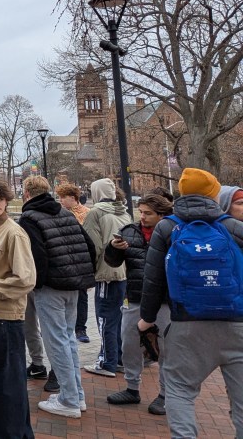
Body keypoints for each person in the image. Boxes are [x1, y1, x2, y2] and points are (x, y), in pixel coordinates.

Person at [139, 167, 243, 438]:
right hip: (236, 323)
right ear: (214, 194)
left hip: (187, 324)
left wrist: (147, 318)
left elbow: (153, 280)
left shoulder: (167, 227)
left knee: (180, 390)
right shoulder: (234, 228)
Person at [18, 175, 96, 420]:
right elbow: (89, 246)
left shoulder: (29, 218)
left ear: (27, 193)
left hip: (51, 286)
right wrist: (83, 277)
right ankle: (76, 395)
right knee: (67, 339)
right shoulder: (65, 213)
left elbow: (37, 255)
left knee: (56, 342)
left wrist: (36, 284)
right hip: (73, 284)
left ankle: (69, 399)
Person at [0, 178, 36, 439]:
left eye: (0, 198)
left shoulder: (13, 232)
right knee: (1, 383)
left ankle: (11, 434)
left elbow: (25, 279)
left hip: (6, 318)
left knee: (7, 386)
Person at [104, 192, 172, 415]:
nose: (142, 217)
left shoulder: (174, 232)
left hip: (164, 300)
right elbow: (112, 262)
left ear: (162, 215)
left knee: (165, 348)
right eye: (141, 212)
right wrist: (114, 248)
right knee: (129, 344)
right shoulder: (129, 231)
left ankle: (166, 394)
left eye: (148, 213)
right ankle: (132, 388)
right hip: (135, 296)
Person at [83, 177, 132, 377]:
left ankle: (106, 362)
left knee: (104, 319)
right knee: (117, 319)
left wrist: (89, 273)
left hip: (106, 273)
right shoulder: (125, 213)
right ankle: (118, 359)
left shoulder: (95, 213)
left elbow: (92, 246)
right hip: (123, 273)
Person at [56, 181, 91, 343]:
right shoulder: (59, 213)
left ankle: (80, 328)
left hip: (80, 260)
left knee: (81, 296)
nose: (61, 200)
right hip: (64, 260)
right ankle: (63, 326)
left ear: (73, 197)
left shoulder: (87, 214)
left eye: (63, 197)